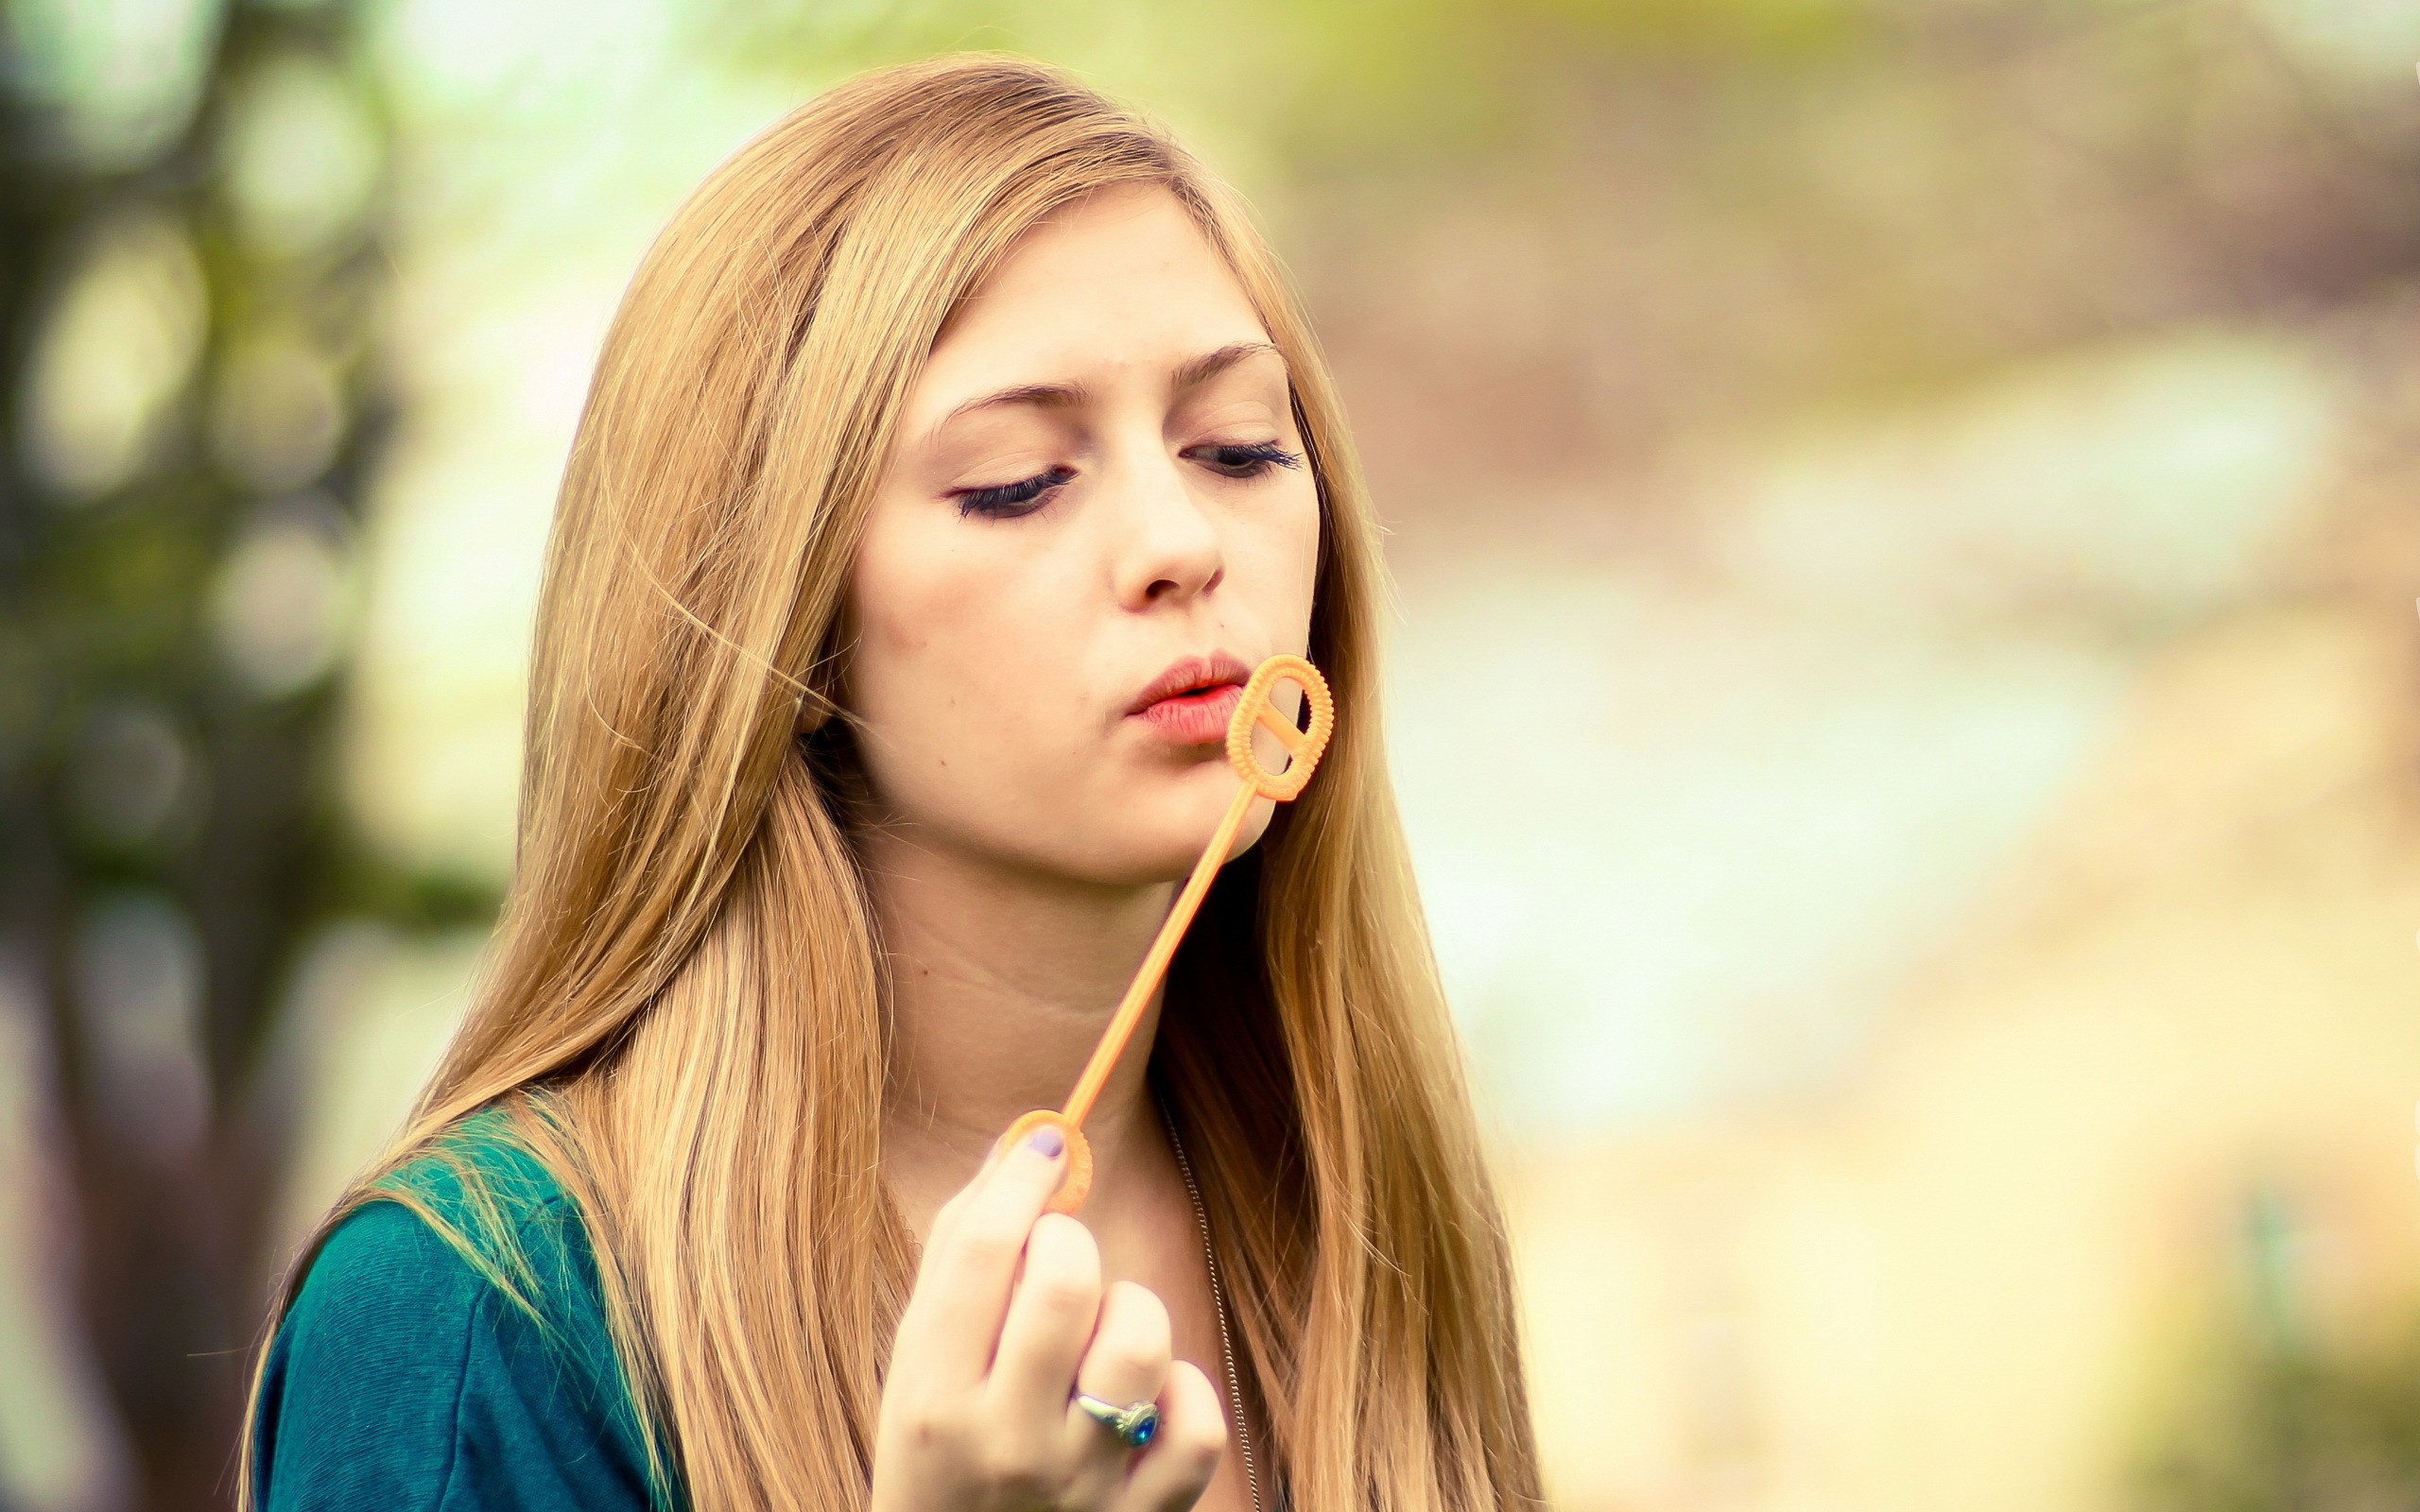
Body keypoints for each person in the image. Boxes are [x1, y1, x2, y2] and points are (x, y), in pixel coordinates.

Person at [238, 52, 1541, 1512]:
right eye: (1016, 481)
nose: (1183, 539)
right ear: (778, 624)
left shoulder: (1368, 1214)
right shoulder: (474, 1321)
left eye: (1238, 444)